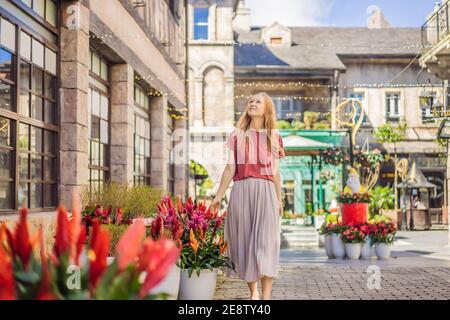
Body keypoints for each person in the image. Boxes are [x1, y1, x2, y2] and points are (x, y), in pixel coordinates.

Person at [211, 92, 285, 300]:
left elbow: (276, 173)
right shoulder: (237, 135)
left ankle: (266, 297)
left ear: (267, 108)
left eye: (258, 101)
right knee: (245, 242)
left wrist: (279, 199)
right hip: (241, 191)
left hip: (267, 191)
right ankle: (253, 293)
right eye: (250, 101)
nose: (252, 104)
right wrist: (218, 196)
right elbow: (229, 168)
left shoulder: (275, 137)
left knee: (266, 243)